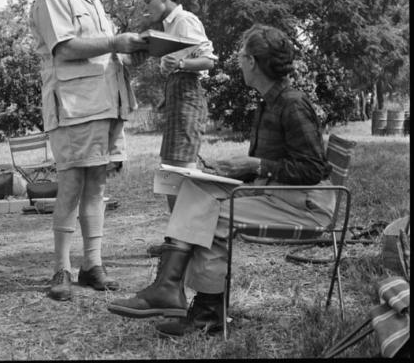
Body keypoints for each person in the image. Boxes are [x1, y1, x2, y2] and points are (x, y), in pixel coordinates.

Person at [107, 24, 334, 337]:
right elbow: (281, 164)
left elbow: (313, 169)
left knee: (209, 215)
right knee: (197, 194)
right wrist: (234, 170)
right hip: (279, 194)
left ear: (253, 62)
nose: (238, 60)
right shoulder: (270, 99)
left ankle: (193, 303)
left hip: (305, 204)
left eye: (242, 55)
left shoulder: (291, 103)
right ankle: (182, 296)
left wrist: (255, 164)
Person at [29, 0, 148, 301]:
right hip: (74, 106)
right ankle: (61, 269)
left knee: (97, 185)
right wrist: (115, 41)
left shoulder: (93, 0)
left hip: (105, 104)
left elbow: (102, 51)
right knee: (72, 185)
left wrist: (133, 49)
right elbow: (64, 48)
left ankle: (91, 264)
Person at [138, 0, 217, 225]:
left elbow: (209, 61)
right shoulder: (169, 26)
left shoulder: (185, 20)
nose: (146, 8)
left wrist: (181, 63)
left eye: (148, 1)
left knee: (180, 171)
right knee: (170, 172)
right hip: (177, 94)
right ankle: (179, 235)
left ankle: (188, 236)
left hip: (189, 94)